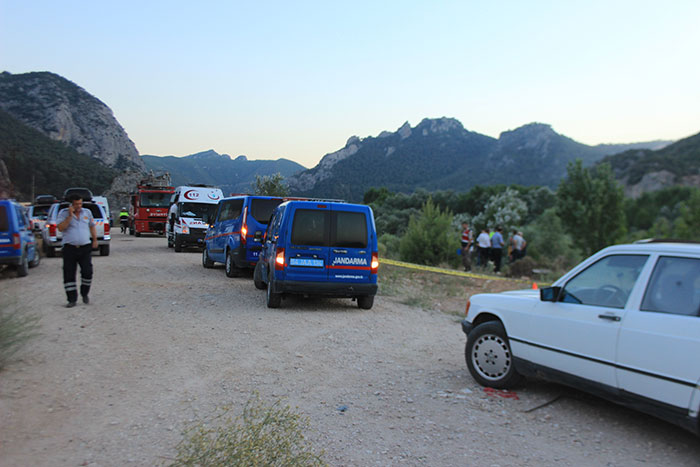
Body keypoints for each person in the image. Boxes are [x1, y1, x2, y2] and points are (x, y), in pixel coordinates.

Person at [57, 194, 98, 307]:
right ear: (71, 204)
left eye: (80, 203)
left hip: (85, 247)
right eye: (76, 204)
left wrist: (94, 240)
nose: (79, 206)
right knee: (69, 273)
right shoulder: (63, 213)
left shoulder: (87, 212)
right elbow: (60, 228)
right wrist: (70, 216)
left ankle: (84, 293)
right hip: (70, 248)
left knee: (87, 271)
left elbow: (92, 226)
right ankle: (71, 299)